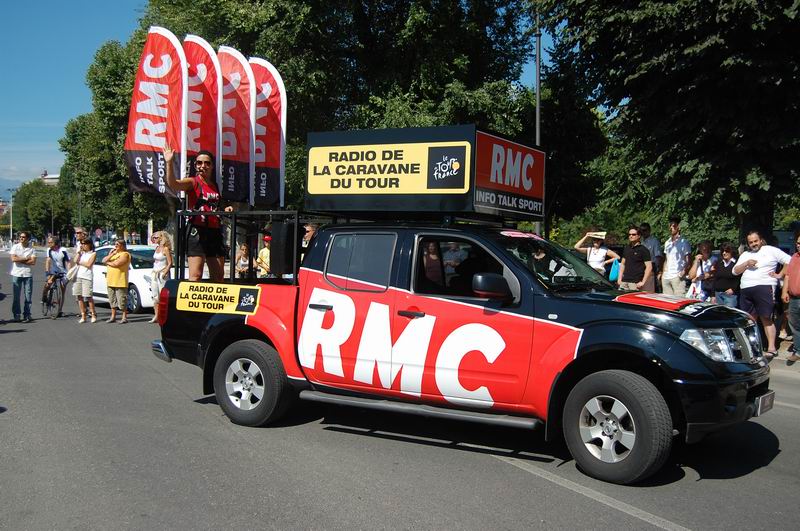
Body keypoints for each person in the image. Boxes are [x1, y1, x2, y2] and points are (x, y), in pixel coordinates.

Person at [164, 145, 233, 282]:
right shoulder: (193, 182)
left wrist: (225, 210)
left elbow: (215, 207)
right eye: (199, 163)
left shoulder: (214, 185)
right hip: (197, 232)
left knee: (219, 277)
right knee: (195, 276)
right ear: (195, 165)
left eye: (207, 163)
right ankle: (190, 303)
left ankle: (215, 303)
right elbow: (173, 184)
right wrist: (169, 163)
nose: (203, 166)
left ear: (212, 166)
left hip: (214, 232)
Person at [733, 230, 792, 358]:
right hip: (746, 288)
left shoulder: (770, 250)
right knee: (749, 320)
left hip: (764, 287)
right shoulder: (745, 254)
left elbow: (789, 261)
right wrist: (746, 264)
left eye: (755, 241)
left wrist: (780, 274)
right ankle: (751, 348)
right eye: (751, 242)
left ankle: (771, 348)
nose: (753, 244)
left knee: (766, 318)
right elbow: (735, 271)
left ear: (760, 240)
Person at [661, 215, 692, 295]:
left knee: (678, 301)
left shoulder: (684, 242)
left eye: (673, 226)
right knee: (667, 302)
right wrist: (663, 272)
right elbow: (666, 259)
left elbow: (689, 260)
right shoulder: (667, 243)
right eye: (670, 225)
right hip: (666, 276)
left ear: (678, 227)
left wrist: (683, 272)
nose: (671, 227)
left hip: (677, 276)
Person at [102, 239, 131, 323]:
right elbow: (103, 260)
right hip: (111, 280)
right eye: (115, 244)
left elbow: (117, 264)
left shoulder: (125, 254)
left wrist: (108, 263)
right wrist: (112, 254)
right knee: (112, 300)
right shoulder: (114, 254)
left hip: (120, 281)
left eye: (117, 244)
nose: (115, 246)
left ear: (122, 245)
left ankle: (124, 317)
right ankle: (113, 316)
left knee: (122, 301)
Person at [10, 231, 36, 322]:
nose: (21, 238)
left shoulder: (32, 248)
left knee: (28, 296)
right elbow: (13, 259)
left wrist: (19, 259)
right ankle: (17, 314)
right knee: (16, 297)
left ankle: (27, 314)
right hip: (16, 274)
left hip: (27, 274)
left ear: (28, 239)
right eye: (20, 237)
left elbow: (33, 262)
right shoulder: (15, 247)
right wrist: (26, 258)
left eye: (23, 237)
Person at [782, 233, 800, 363]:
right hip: (794, 298)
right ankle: (798, 350)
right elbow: (787, 275)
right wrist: (784, 291)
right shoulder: (794, 257)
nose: (799, 245)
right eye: (798, 243)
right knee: (794, 324)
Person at [617, 225, 652, 291]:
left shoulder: (644, 250)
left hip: (635, 283)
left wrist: (643, 282)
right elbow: (622, 264)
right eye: (629, 234)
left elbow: (649, 267)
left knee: (632, 301)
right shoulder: (627, 248)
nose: (631, 236)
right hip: (624, 282)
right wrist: (619, 279)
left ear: (639, 236)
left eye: (633, 234)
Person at [43, 236, 71, 318]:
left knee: (62, 290)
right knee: (48, 284)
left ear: (55, 243)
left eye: (50, 242)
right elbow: (48, 261)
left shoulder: (63, 250)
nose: (48, 244)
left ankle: (60, 310)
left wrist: (68, 274)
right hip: (53, 271)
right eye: (48, 242)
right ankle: (44, 297)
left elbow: (68, 262)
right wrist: (47, 272)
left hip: (63, 272)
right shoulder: (49, 250)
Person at [150, 231, 173, 323]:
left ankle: (164, 316)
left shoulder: (166, 249)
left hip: (162, 274)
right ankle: (156, 315)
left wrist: (165, 272)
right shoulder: (156, 248)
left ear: (161, 238)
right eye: (153, 237)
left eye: (156, 237)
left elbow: (170, 262)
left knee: (163, 294)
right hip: (155, 273)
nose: (154, 239)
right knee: (155, 295)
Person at [74, 239, 97, 323]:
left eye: (84, 244)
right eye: (81, 244)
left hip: (87, 277)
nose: (82, 245)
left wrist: (80, 262)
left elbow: (88, 264)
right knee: (79, 296)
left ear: (89, 244)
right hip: (79, 276)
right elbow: (75, 260)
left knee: (88, 296)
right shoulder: (82, 253)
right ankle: (83, 315)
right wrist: (79, 252)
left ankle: (93, 314)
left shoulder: (93, 253)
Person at [712, 242, 740, 308]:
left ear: (732, 251)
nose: (724, 253)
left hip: (730, 296)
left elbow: (739, 278)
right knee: (719, 315)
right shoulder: (719, 262)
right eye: (722, 251)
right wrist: (713, 295)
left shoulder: (737, 263)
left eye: (727, 251)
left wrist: (733, 289)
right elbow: (715, 279)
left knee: (729, 315)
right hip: (718, 294)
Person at [640, 223, 663, 291]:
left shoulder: (654, 241)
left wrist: (658, 270)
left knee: (650, 289)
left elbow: (658, 256)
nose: (643, 232)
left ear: (649, 230)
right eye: (641, 231)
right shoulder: (641, 242)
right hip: (642, 267)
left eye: (645, 230)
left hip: (652, 267)